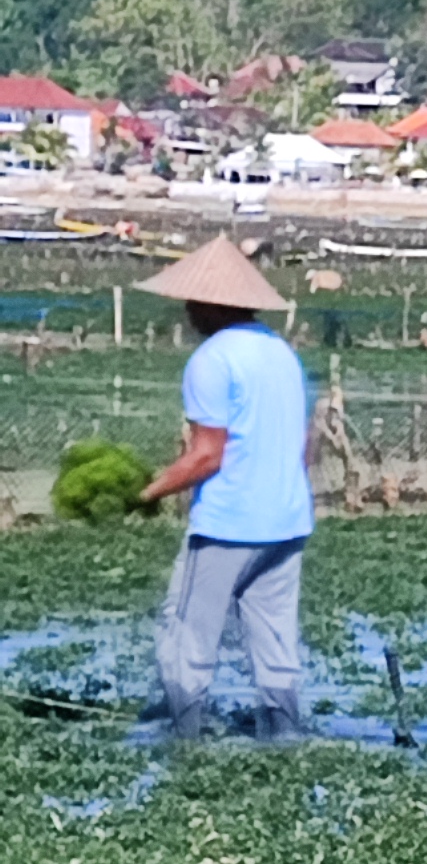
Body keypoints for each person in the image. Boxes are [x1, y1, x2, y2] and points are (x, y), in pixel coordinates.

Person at [135, 235, 316, 742]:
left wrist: (146, 493)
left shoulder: (211, 360)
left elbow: (206, 454)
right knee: (276, 639)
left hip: (229, 525)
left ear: (212, 305)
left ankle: (183, 735)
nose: (188, 312)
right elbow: (303, 444)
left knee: (187, 633)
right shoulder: (281, 353)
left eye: (193, 303)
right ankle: (284, 733)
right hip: (286, 521)